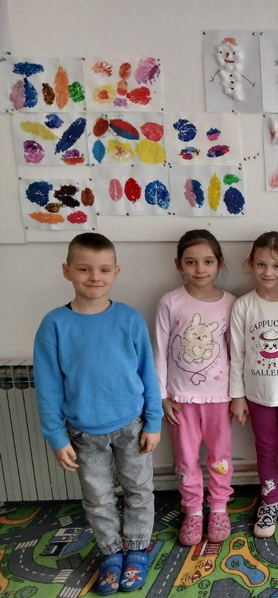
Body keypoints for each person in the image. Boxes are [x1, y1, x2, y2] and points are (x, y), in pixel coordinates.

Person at [33, 233, 162, 595]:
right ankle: (111, 553)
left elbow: (148, 373)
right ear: (67, 271)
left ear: (116, 272)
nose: (94, 277)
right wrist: (55, 436)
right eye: (84, 269)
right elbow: (47, 385)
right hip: (83, 433)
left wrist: (154, 421)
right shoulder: (54, 325)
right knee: (98, 498)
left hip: (132, 426)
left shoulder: (130, 319)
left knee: (139, 490)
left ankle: (137, 549)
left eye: (104, 269)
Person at [154, 230, 241, 546]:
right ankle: (192, 510)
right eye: (191, 262)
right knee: (186, 458)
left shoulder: (231, 303)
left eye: (207, 261)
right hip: (180, 400)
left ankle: (218, 507)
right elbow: (160, 351)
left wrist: (237, 395)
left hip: (219, 398)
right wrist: (162, 396)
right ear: (178, 264)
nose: (200, 269)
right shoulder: (170, 302)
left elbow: (236, 353)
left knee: (220, 456)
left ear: (219, 262)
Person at [229, 232, 278, 539]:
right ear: (250, 263)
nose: (268, 272)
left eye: (276, 266)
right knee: (265, 447)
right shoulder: (243, 306)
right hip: (257, 394)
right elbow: (236, 355)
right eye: (261, 264)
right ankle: (270, 500)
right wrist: (237, 396)